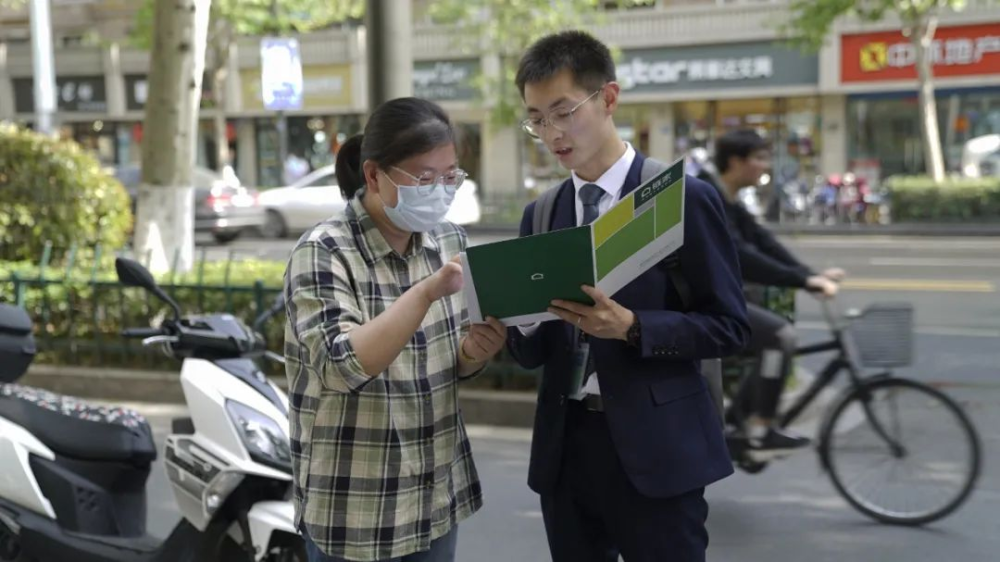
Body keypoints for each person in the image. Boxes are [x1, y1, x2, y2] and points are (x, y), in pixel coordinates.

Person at [507, 31, 750, 562]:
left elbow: (730, 326)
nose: (551, 133)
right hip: (566, 452)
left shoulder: (678, 197)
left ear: (608, 99)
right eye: (537, 119)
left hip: (658, 450)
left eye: (563, 111)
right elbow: (530, 354)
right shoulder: (543, 214)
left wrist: (634, 327)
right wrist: (510, 321)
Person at [283, 97, 506, 562]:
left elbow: (453, 359)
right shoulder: (324, 251)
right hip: (358, 508)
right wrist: (424, 294)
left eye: (449, 176)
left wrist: (473, 352)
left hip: (434, 497)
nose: (440, 190)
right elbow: (340, 366)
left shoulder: (449, 240)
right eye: (425, 178)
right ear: (373, 175)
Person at [701, 129, 845, 453]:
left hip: (720, 296)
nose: (765, 166)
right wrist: (804, 282)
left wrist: (809, 275)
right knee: (781, 338)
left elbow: (763, 242)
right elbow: (739, 255)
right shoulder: (707, 196)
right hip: (700, 304)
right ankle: (760, 428)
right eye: (760, 158)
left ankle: (738, 421)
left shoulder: (728, 197)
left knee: (771, 343)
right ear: (736, 162)